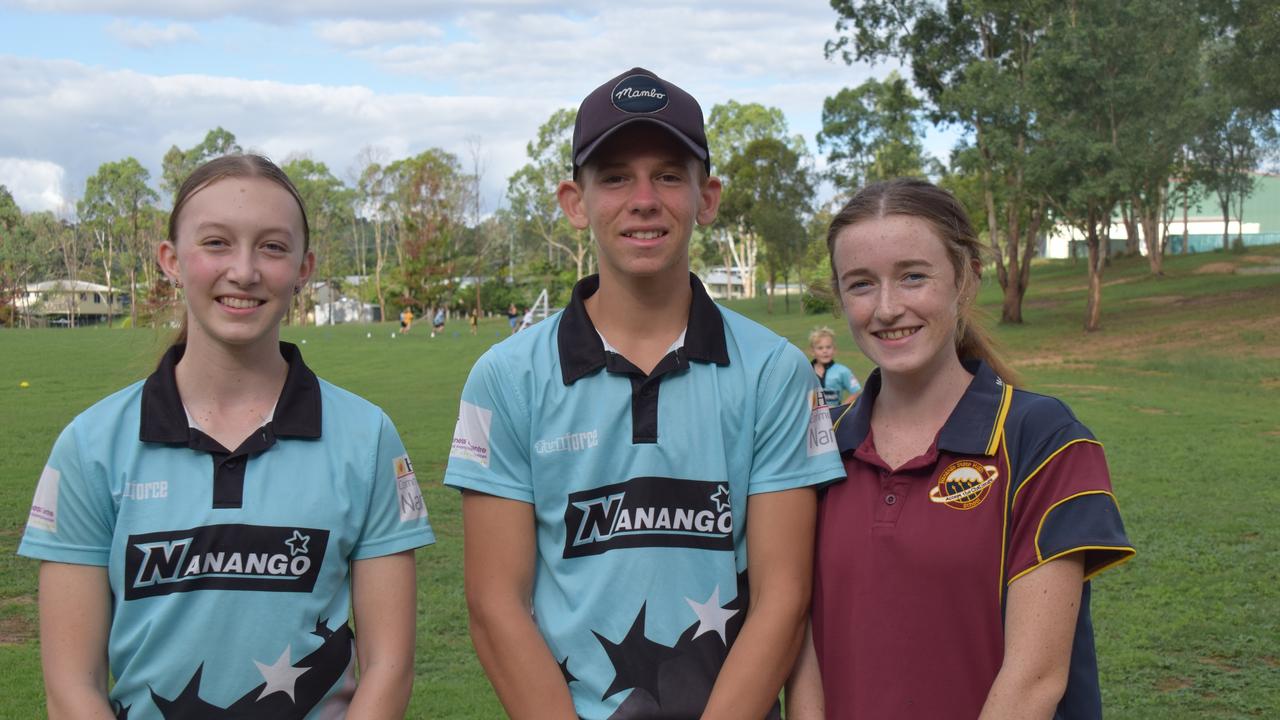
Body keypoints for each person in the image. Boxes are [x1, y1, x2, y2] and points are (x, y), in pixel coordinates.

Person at [444, 67, 843, 719]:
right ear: (575, 202)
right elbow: (495, 605)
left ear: (706, 197)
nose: (643, 198)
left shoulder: (775, 371)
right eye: (615, 177)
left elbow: (784, 596)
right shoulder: (506, 377)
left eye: (667, 174)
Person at [18, 154, 435, 719]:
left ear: (304, 266)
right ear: (171, 260)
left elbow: (390, 669)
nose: (244, 270)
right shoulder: (91, 446)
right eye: (216, 243)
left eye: (272, 246)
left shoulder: (367, 439)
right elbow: (72, 686)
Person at [785, 179, 1135, 719]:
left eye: (913, 276)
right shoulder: (819, 441)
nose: (886, 308)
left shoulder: (1043, 438)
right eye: (860, 284)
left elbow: (1034, 681)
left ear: (967, 279)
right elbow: (801, 644)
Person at [808, 326, 861, 407]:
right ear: (812, 351)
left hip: (834, 418)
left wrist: (840, 409)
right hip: (810, 418)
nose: (825, 351)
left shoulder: (842, 371)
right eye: (820, 348)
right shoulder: (805, 371)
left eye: (828, 347)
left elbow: (857, 392)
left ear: (834, 349)